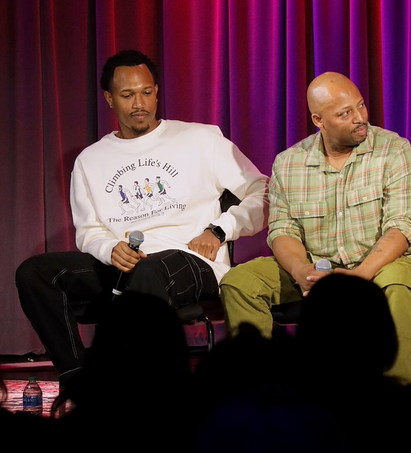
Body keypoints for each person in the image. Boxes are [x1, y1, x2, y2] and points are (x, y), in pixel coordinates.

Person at [15, 50, 268, 380]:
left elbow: (263, 191)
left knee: (147, 271)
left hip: (190, 257)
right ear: (109, 99)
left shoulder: (201, 138)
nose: (140, 103)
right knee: (34, 272)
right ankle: (78, 380)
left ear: (157, 91)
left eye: (147, 92)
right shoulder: (90, 161)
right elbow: (88, 230)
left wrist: (220, 230)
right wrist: (109, 249)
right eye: (127, 95)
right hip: (125, 264)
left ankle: (144, 391)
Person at [219, 73, 411, 385]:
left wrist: (358, 278)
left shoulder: (393, 150)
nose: (360, 118)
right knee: (239, 282)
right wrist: (299, 270)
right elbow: (282, 230)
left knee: (398, 281)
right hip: (318, 266)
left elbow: (402, 226)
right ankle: (258, 390)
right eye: (345, 113)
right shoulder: (289, 163)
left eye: (360, 106)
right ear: (319, 120)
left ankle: (393, 392)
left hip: (382, 264)